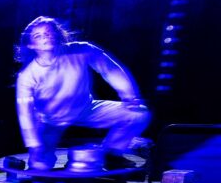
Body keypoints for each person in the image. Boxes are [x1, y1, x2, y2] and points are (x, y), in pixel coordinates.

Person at [14, 16, 151, 170]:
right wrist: (34, 144)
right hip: (51, 121)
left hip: (87, 109)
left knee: (138, 114)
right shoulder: (27, 76)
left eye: (49, 32)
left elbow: (110, 70)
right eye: (38, 36)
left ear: (58, 34)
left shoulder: (83, 50)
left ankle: (111, 154)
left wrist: (130, 95)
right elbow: (25, 113)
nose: (46, 38)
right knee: (39, 165)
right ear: (32, 45)